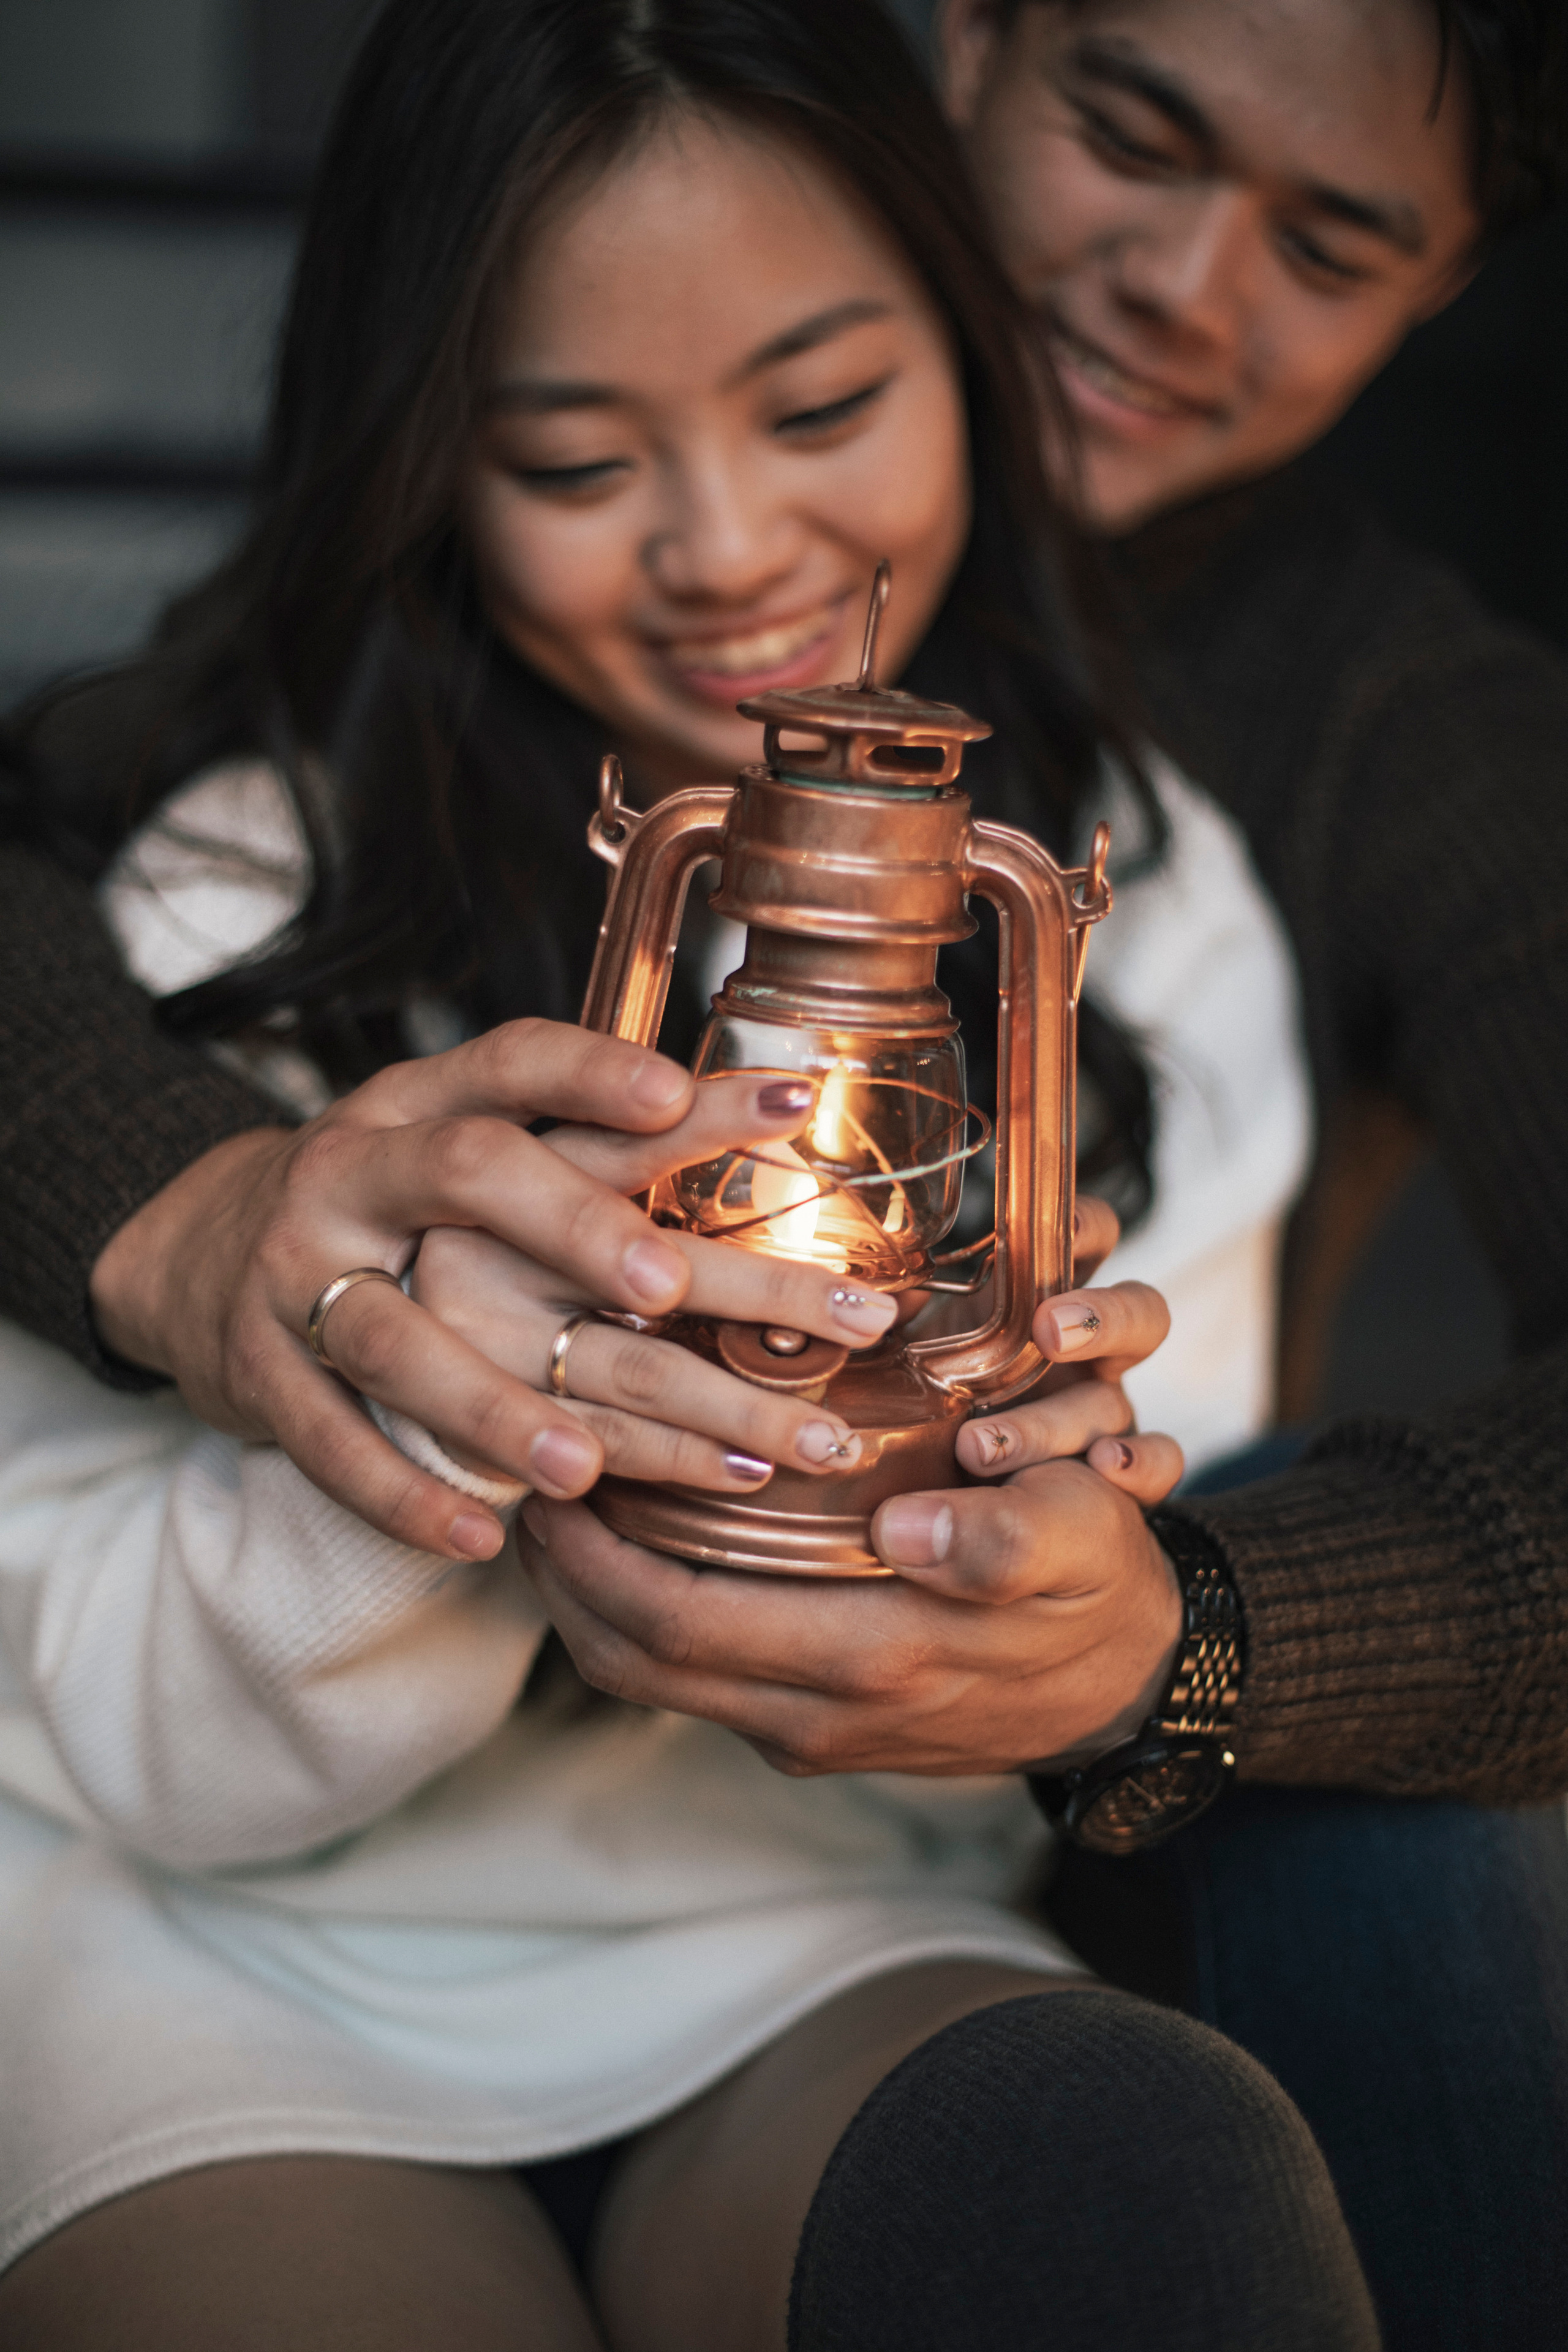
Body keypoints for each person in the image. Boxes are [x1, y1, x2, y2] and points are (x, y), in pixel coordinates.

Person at [0, 3, 1369, 2348]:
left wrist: (1068, 1612)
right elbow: (110, 1729)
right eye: (567, 458)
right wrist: (443, 1428)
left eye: (824, 408)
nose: (734, 553)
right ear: (427, 463)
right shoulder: (227, 892)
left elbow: (1087, 1621)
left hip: (807, 1907)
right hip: (208, 1932)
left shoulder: (1145, 916)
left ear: (974, 341)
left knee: (1136, 2204)